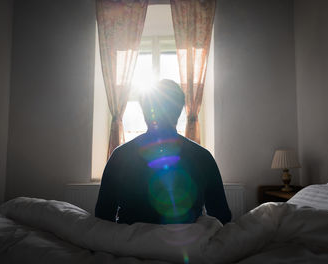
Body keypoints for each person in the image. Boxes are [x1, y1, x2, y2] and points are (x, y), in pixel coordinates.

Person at [95, 79, 231, 225]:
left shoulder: (120, 156)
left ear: (145, 111)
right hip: (185, 245)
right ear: (179, 111)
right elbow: (222, 217)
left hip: (132, 245)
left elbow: (102, 217)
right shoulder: (203, 157)